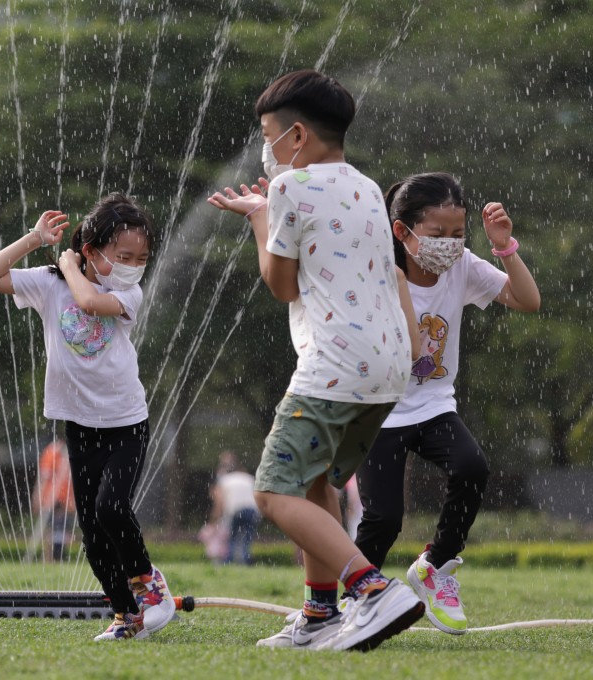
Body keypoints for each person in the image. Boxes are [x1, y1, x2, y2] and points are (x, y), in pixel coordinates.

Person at [207, 69, 424, 651]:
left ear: (296, 136)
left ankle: (371, 589)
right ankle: (320, 614)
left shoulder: (287, 190)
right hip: (386, 369)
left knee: (273, 493)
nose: (265, 148)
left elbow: (281, 285)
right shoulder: (368, 188)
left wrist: (260, 218)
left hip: (332, 366)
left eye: (267, 134)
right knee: (318, 486)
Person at [0, 193, 175, 642]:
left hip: (126, 422)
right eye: (124, 256)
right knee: (92, 534)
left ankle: (149, 585)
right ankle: (127, 616)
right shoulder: (49, 285)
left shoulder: (127, 292)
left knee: (112, 507)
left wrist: (66, 265)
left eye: (141, 257)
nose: (134, 265)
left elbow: (86, 303)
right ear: (92, 250)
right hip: (79, 426)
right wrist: (34, 239)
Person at [354, 172, 540, 635]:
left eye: (458, 234)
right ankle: (355, 601)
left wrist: (504, 247)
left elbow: (527, 300)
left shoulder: (462, 267)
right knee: (383, 518)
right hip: (379, 410)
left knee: (472, 467)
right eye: (438, 235)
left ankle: (434, 567)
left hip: (433, 403)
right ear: (403, 231)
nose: (450, 245)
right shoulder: (377, 272)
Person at [209, 451, 260, 565]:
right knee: (247, 538)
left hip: (236, 510)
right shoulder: (248, 478)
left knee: (232, 537)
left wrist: (215, 519)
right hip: (252, 510)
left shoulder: (225, 480)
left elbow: (220, 502)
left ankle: (228, 561)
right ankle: (245, 561)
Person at [31, 439, 75, 562]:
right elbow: (44, 477)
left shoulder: (59, 450)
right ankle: (50, 558)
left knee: (60, 530)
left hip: (61, 498)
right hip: (52, 497)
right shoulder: (53, 451)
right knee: (52, 530)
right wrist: (38, 497)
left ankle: (56, 558)